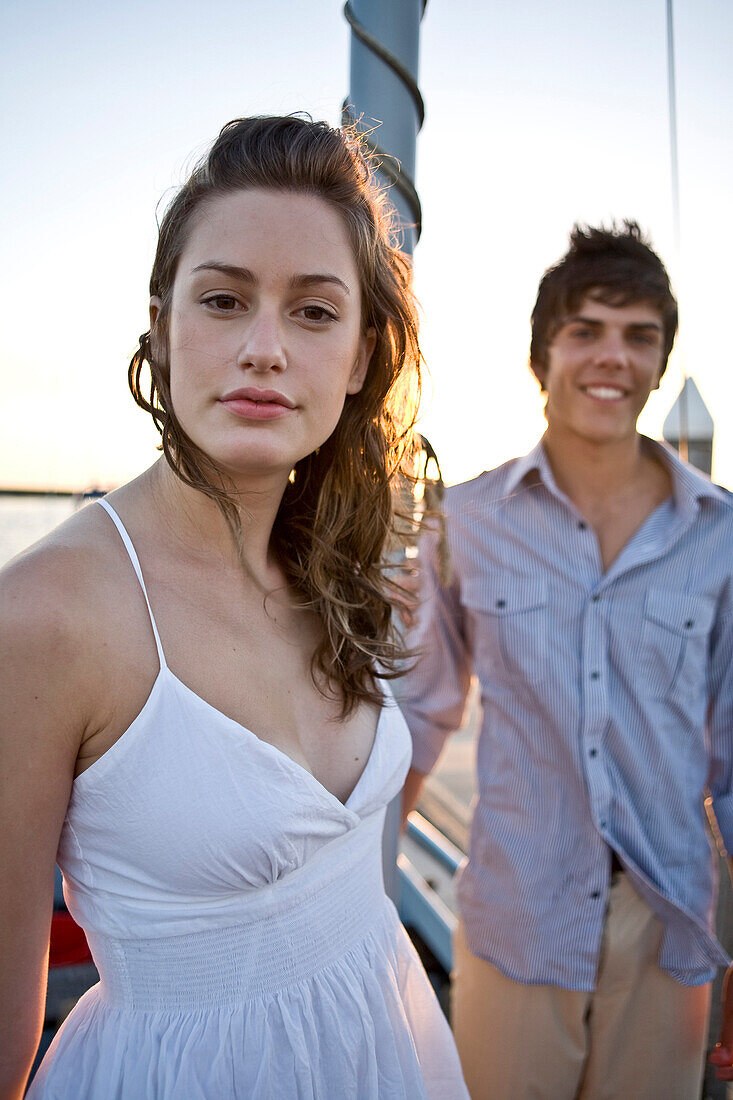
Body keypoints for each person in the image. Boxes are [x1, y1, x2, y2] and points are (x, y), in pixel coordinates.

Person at [0, 115, 468, 1100]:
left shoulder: (344, 564)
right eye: (223, 300)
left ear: (357, 355)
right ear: (163, 325)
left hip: (392, 1045)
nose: (263, 348)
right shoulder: (48, 615)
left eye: (312, 311)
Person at [399, 222, 733, 1099]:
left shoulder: (723, 539)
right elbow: (421, 713)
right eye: (584, 330)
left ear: (660, 364)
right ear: (540, 355)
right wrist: (356, 894)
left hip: (667, 928)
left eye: (637, 336)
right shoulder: (464, 521)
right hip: (516, 915)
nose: (610, 357)